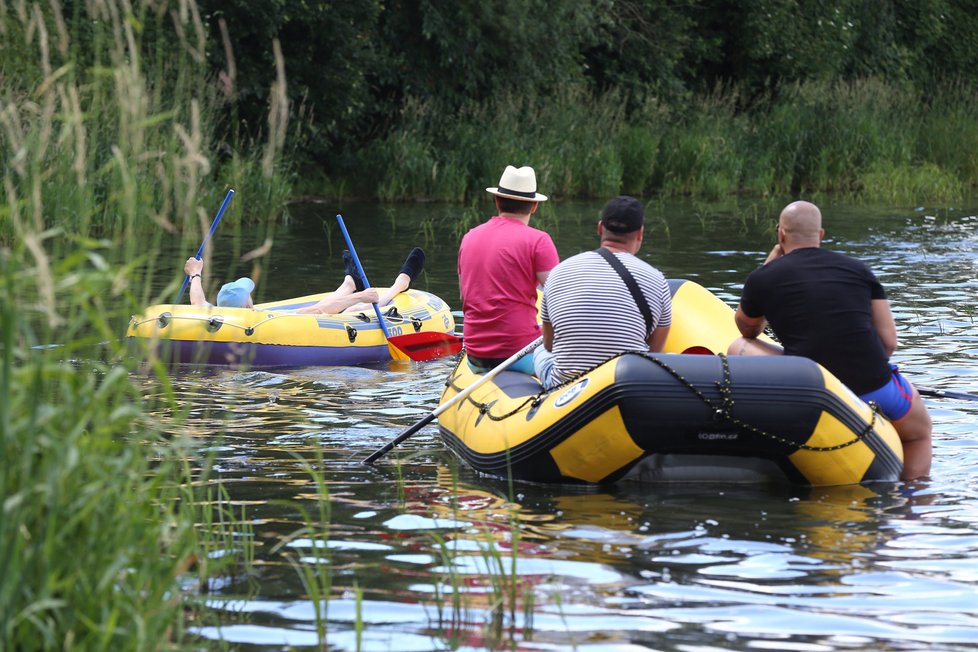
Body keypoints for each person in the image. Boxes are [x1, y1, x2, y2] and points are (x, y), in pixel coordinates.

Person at [727, 200, 932, 480]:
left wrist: (766, 268)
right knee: (918, 435)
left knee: (737, 348)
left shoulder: (764, 277)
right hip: (873, 386)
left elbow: (747, 330)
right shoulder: (860, 270)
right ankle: (913, 502)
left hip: (808, 383)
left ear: (780, 234)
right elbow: (888, 343)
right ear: (821, 234)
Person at [533, 196, 672, 389]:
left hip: (565, 388)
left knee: (539, 350)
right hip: (627, 386)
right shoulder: (657, 280)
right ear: (640, 233)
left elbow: (549, 344)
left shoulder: (559, 272)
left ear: (600, 228)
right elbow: (655, 351)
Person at [458, 165, 560, 374]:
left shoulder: (469, 237)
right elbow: (560, 300)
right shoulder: (539, 241)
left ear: (496, 201)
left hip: (475, 356)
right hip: (520, 355)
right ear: (534, 206)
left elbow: (464, 296)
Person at [182, 247, 426, 315]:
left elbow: (198, 302)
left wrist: (196, 273)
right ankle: (400, 284)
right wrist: (363, 297)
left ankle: (350, 282)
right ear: (247, 304)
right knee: (355, 308)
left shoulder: (213, 315)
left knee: (348, 302)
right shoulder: (259, 320)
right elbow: (319, 310)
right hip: (318, 318)